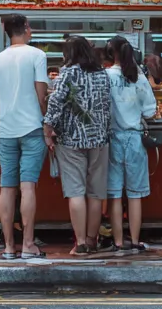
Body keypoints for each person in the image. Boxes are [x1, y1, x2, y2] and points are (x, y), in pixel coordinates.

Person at [0, 14, 49, 260]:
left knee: (7, 187)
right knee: (28, 186)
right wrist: (45, 120)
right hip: (32, 127)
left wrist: (5, 119)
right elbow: (41, 93)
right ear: (25, 28)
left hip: (7, 130)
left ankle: (8, 247)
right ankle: (28, 244)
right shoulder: (37, 55)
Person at [44, 35, 112, 256]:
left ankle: (80, 243)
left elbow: (56, 101)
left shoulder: (69, 72)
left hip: (72, 139)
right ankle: (93, 240)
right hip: (99, 139)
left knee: (76, 191)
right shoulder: (102, 74)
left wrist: (48, 128)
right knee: (95, 193)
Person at [106, 35, 156, 253]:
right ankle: (135, 241)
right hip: (135, 139)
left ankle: (118, 242)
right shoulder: (139, 77)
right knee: (135, 194)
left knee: (115, 193)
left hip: (112, 139)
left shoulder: (105, 76)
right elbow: (151, 111)